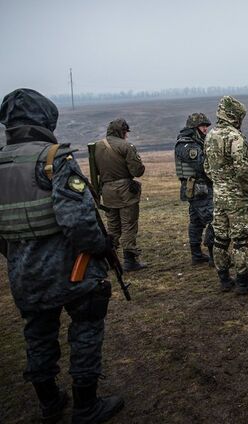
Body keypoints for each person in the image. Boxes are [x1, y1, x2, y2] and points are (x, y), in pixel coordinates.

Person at [0, 88, 123, 423]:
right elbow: (81, 222)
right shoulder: (54, 160)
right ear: (45, 119)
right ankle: (86, 405)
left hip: (23, 273)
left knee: (37, 333)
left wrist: (19, 253)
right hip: (72, 271)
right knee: (86, 327)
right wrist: (102, 247)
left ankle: (49, 402)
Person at [204, 96, 248, 294]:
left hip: (219, 195)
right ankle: (243, 282)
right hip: (237, 197)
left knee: (220, 238)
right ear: (235, 115)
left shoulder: (210, 135)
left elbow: (206, 167)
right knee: (240, 240)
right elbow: (243, 171)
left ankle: (224, 279)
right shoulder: (235, 137)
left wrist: (220, 182)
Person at [94, 118, 146, 272]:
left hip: (107, 191)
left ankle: (111, 260)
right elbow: (137, 171)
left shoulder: (96, 146)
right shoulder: (126, 146)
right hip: (125, 191)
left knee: (113, 226)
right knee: (129, 224)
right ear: (122, 131)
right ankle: (130, 261)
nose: (127, 136)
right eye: (126, 132)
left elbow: (94, 170)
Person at [175, 112, 214, 265]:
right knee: (213, 220)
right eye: (203, 126)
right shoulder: (187, 144)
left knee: (196, 221)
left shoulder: (195, 142)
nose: (206, 129)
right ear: (194, 127)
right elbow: (202, 165)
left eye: (206, 126)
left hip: (199, 188)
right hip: (199, 188)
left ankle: (197, 256)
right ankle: (214, 256)